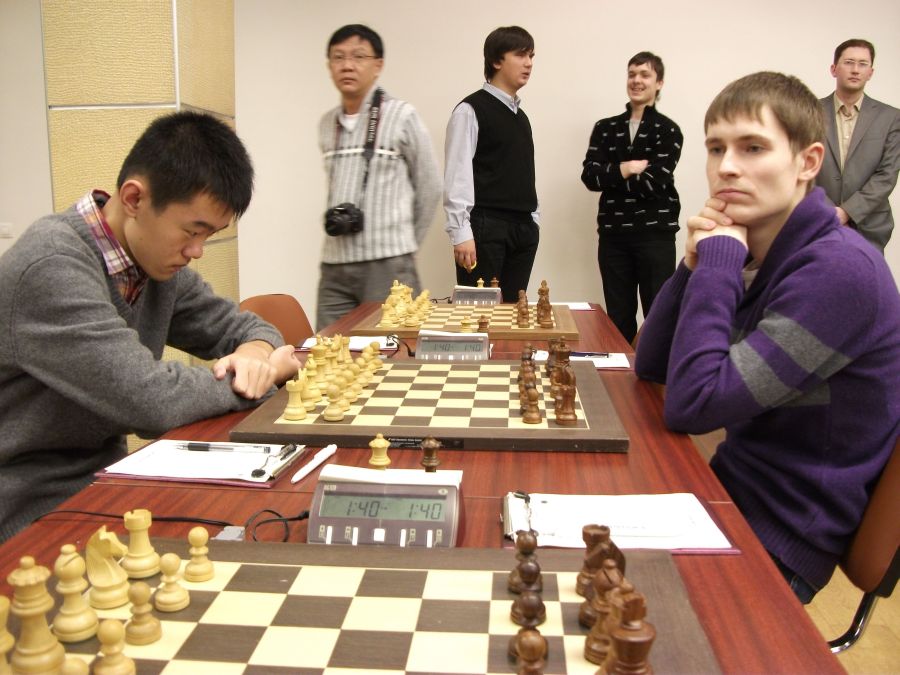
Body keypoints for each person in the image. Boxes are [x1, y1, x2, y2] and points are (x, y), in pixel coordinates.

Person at [634, 71, 900, 603]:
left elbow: (692, 403)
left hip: (777, 538)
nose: (726, 167)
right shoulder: (770, 252)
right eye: (716, 148)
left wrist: (720, 261)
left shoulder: (839, 271)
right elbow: (653, 364)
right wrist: (692, 266)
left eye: (753, 148)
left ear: (808, 162)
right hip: (727, 495)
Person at [0, 111, 301, 543]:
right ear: (134, 199)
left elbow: (245, 326)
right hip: (27, 506)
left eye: (209, 235)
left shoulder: (153, 265)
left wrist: (255, 353)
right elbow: (148, 398)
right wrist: (261, 378)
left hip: (107, 481)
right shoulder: (51, 267)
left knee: (265, 527)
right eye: (192, 231)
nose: (197, 251)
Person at [317, 24, 441, 330]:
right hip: (334, 263)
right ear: (329, 65)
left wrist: (405, 244)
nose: (347, 65)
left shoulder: (402, 115)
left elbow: (430, 185)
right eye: (338, 57)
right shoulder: (327, 123)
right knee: (329, 348)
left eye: (359, 56)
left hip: (388, 264)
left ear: (378, 65)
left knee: (394, 349)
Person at [581, 52, 682, 344]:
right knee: (618, 319)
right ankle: (621, 373)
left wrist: (611, 175)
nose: (637, 80)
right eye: (632, 74)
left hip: (655, 235)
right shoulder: (605, 128)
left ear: (659, 83)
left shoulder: (668, 130)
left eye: (645, 75)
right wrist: (626, 168)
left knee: (659, 317)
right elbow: (590, 177)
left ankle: (655, 374)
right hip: (613, 236)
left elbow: (654, 182)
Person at [444, 25, 540, 301]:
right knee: (479, 315)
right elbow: (457, 173)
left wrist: (534, 221)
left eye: (531, 56)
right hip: (486, 228)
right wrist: (461, 233)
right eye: (520, 55)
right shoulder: (470, 110)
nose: (528, 63)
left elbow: (523, 173)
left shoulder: (522, 117)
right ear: (497, 60)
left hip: (523, 228)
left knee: (512, 314)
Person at [816, 38, 900, 252]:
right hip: (818, 220)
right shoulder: (810, 112)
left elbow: (887, 175)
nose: (855, 70)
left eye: (863, 64)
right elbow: (800, 168)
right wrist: (830, 212)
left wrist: (847, 212)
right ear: (834, 69)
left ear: (870, 72)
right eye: (849, 62)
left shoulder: (891, 117)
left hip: (869, 225)